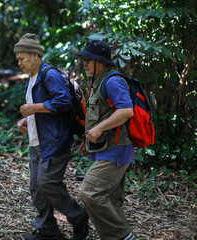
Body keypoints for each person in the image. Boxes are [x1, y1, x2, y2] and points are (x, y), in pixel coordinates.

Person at [14, 33, 89, 240]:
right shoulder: (31, 78)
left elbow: (63, 101)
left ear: (35, 55)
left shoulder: (49, 75)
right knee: (36, 188)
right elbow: (40, 111)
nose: (19, 62)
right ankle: (48, 231)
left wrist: (34, 108)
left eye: (22, 58)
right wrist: (26, 121)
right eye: (18, 59)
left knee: (47, 183)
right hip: (37, 143)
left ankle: (78, 216)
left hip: (54, 143)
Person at [75, 40, 136, 240]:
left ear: (99, 62)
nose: (84, 64)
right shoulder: (100, 80)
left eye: (87, 60)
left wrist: (99, 129)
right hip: (106, 149)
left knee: (90, 192)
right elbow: (99, 114)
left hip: (116, 150)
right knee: (109, 198)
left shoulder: (112, 81)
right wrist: (87, 140)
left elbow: (126, 110)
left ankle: (122, 236)